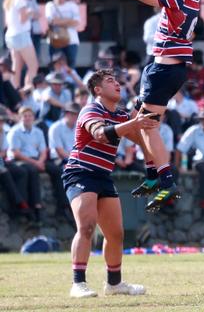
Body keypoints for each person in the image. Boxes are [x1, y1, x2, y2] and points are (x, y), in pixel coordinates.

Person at [74, 0, 200, 211]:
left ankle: (167, 181)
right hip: (166, 69)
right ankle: (152, 174)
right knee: (134, 121)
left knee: (148, 127)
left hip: (164, 70)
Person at [62, 69, 157, 298]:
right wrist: (135, 122)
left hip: (103, 176)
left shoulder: (121, 115)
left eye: (117, 80)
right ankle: (78, 284)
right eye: (110, 81)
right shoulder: (90, 110)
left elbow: (141, 138)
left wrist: (154, 168)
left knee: (116, 234)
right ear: (97, 89)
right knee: (86, 226)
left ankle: (114, 284)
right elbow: (101, 134)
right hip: (80, 173)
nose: (117, 84)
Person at [7, 106, 67, 222]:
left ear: (33, 117)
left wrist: (40, 161)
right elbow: (16, 153)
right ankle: (36, 206)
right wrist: (36, 163)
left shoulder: (38, 132)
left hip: (37, 159)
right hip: (21, 160)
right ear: (20, 118)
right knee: (32, 171)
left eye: (30, 116)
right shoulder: (14, 131)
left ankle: (63, 205)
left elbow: (43, 150)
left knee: (58, 170)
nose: (28, 118)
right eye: (25, 116)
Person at [3, 0, 39, 89]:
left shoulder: (8, 1)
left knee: (16, 67)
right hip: (22, 35)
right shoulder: (20, 0)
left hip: (11, 36)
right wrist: (31, 13)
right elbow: (23, 19)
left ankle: (15, 90)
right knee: (34, 66)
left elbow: (7, 23)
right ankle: (29, 89)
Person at [45, 0, 81, 67]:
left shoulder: (73, 5)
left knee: (71, 67)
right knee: (55, 67)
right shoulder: (50, 5)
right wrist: (68, 21)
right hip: (55, 40)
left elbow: (76, 22)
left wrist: (59, 21)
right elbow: (51, 21)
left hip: (71, 41)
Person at [22, 0, 44, 64]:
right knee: (25, 63)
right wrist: (33, 15)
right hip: (26, 34)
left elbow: (38, 15)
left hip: (36, 34)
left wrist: (33, 15)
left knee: (35, 62)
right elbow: (27, 16)